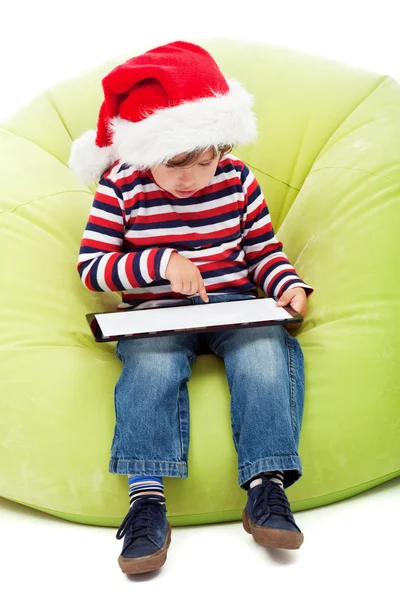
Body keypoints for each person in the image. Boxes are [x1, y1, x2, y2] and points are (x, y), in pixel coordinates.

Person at [69, 40, 313, 575]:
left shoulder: (237, 181)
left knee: (265, 350)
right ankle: (146, 502)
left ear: (221, 150)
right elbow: (93, 268)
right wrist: (160, 261)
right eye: (172, 165)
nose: (188, 180)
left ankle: (266, 487)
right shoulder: (121, 187)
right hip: (157, 312)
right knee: (151, 364)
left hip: (231, 305)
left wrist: (287, 285)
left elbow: (263, 254)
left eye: (202, 164)